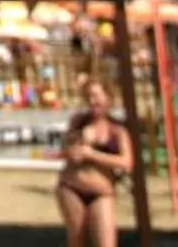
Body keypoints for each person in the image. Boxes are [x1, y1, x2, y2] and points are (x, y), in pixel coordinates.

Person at [57, 78, 135, 247]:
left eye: (96, 96)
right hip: (72, 187)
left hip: (101, 192)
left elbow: (127, 162)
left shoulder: (117, 130)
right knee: (77, 236)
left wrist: (92, 154)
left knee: (106, 242)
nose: (93, 101)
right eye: (89, 97)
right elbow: (66, 148)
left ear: (108, 98)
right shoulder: (78, 121)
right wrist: (80, 140)